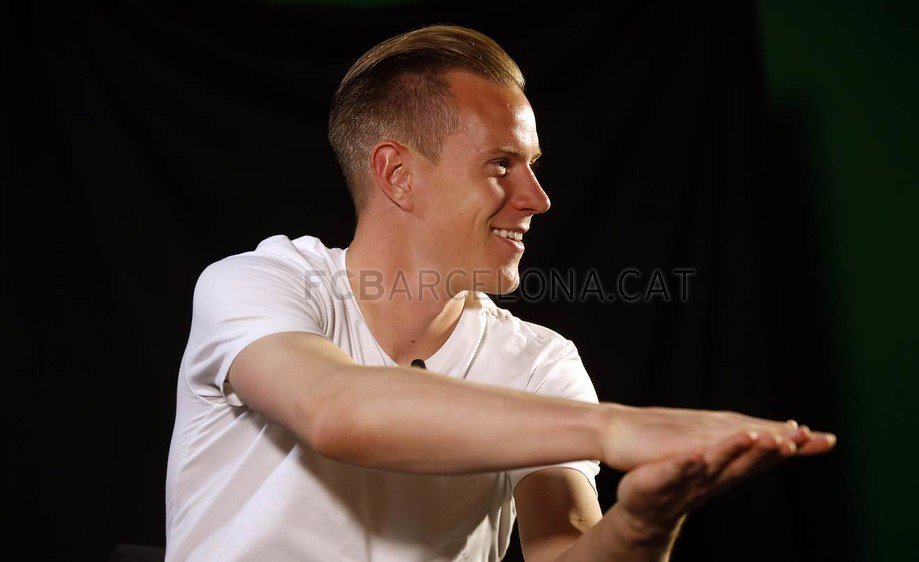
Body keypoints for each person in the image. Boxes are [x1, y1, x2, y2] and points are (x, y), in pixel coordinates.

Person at [165, 25, 835, 561]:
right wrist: (614, 428)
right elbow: (336, 411)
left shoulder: (540, 362)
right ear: (397, 174)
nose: (537, 199)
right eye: (501, 165)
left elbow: (565, 551)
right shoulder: (259, 284)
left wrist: (643, 520)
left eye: (532, 166)